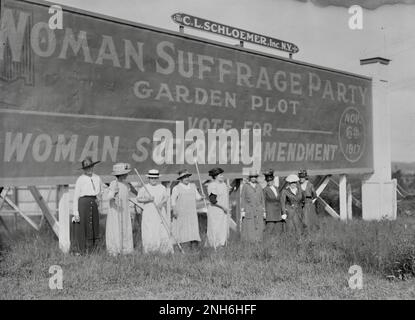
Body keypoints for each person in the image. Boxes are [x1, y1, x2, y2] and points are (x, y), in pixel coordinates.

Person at [72, 157, 105, 255]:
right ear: (84, 169)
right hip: (83, 203)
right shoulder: (80, 179)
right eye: (87, 168)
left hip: (93, 202)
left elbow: (101, 190)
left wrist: (99, 197)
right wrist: (76, 212)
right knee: (83, 226)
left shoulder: (97, 177)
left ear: (93, 167)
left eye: (90, 167)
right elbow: (75, 196)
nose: (89, 169)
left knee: (94, 224)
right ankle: (82, 250)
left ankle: (93, 249)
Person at [136, 169, 173, 254]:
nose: (153, 180)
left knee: (161, 229)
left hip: (160, 212)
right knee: (149, 230)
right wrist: (148, 199)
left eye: (155, 178)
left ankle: (162, 249)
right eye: (152, 178)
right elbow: (138, 199)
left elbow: (166, 197)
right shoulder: (144, 188)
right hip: (149, 212)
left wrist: (161, 203)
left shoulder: (162, 187)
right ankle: (150, 249)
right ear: (149, 178)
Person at [104, 163, 135, 256]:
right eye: (125, 173)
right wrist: (113, 194)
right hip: (116, 211)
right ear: (120, 174)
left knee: (125, 227)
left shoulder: (127, 184)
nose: (127, 175)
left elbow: (129, 197)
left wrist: (131, 208)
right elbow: (108, 197)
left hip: (124, 211)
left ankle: (126, 249)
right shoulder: (114, 183)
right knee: (116, 228)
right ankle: (115, 249)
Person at [171, 169, 203, 249]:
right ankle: (182, 248)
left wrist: (202, 197)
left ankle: (194, 249)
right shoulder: (176, 188)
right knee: (182, 231)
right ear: (181, 179)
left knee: (193, 231)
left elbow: (198, 197)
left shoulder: (193, 186)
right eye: (185, 177)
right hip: (181, 213)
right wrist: (174, 210)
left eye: (188, 177)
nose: (187, 179)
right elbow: (173, 201)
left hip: (192, 213)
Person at [206, 167, 229, 248]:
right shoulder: (212, 185)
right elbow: (213, 200)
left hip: (223, 211)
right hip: (215, 211)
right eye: (220, 175)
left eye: (222, 174)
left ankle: (221, 245)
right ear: (215, 176)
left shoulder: (223, 184)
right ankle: (214, 245)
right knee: (215, 228)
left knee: (222, 228)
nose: (222, 176)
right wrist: (223, 207)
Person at [240, 170, 266, 242]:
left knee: (259, 226)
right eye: (252, 177)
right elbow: (243, 198)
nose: (253, 178)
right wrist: (243, 210)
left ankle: (259, 241)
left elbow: (262, 199)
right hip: (249, 209)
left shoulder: (259, 186)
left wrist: (264, 210)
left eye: (255, 177)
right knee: (250, 226)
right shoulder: (246, 186)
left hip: (259, 209)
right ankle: (250, 242)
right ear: (249, 178)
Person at [262, 169, 284, 236]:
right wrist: (264, 212)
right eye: (268, 181)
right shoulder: (265, 190)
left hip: (278, 213)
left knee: (279, 231)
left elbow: (280, 200)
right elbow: (263, 201)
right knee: (269, 231)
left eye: (271, 180)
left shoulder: (276, 188)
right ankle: (266, 244)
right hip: (270, 213)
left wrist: (283, 211)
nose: (269, 182)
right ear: (266, 181)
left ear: (273, 180)